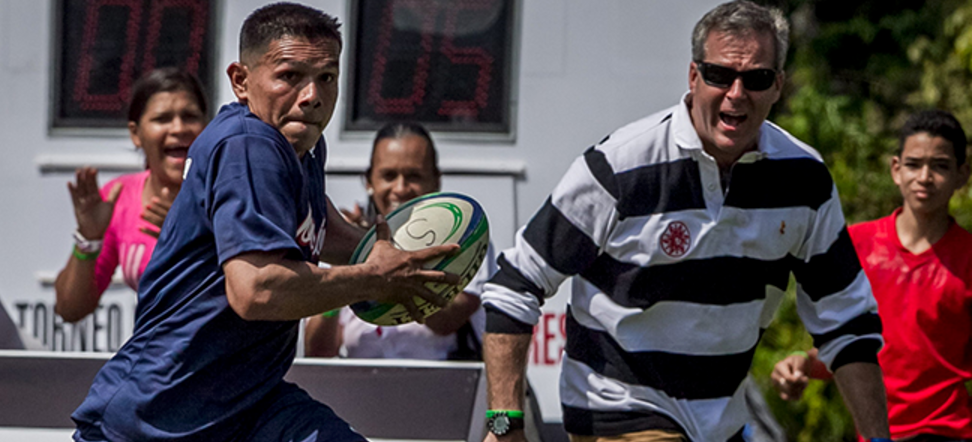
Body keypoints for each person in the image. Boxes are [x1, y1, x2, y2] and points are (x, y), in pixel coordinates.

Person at [479, 1, 892, 441]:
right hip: (620, 409)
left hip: (722, 421)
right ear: (693, 77)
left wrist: (879, 438)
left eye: (756, 79)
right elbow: (514, 283)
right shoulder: (621, 166)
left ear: (778, 87)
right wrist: (504, 426)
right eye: (720, 75)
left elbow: (847, 323)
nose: (737, 93)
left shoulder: (805, 179)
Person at [71, 3, 458, 442]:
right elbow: (256, 290)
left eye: (326, 77)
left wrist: (387, 254)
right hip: (158, 419)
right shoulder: (249, 144)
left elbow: (317, 224)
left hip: (248, 405)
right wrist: (373, 278)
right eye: (290, 76)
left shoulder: (298, 144)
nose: (311, 95)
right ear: (241, 81)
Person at [772, 110, 972, 442]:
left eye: (940, 166)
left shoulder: (967, 258)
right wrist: (802, 364)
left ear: (961, 175)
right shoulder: (855, 245)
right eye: (913, 164)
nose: (924, 176)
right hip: (876, 434)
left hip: (948, 433)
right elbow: (847, 346)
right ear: (896, 169)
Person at [305, 122, 496, 361]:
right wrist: (345, 267)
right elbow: (318, 351)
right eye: (388, 175)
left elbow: (448, 320)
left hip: (442, 394)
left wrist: (390, 273)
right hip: (359, 394)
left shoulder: (464, 236)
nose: (401, 188)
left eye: (414, 176)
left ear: (436, 180)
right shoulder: (344, 244)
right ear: (369, 182)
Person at [54, 68, 208, 323]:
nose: (179, 128)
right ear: (136, 134)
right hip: (158, 356)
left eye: (190, 116)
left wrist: (192, 241)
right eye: (163, 118)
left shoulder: (231, 194)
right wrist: (88, 238)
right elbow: (71, 310)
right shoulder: (120, 198)